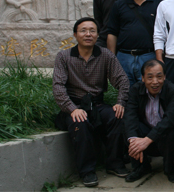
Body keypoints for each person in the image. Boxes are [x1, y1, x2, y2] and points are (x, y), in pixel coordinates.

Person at [52, 17, 130, 187]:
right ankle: (87, 171)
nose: (88, 34)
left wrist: (120, 102)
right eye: (83, 30)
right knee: (80, 123)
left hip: (97, 104)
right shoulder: (64, 57)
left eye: (92, 31)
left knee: (116, 116)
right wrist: (72, 109)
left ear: (97, 35)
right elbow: (58, 87)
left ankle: (114, 163)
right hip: (75, 105)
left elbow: (122, 80)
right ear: (75, 34)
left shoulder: (105, 55)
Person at [124, 59, 174, 183]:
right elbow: (130, 115)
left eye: (159, 77)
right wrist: (134, 141)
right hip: (146, 131)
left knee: (171, 131)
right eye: (150, 77)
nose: (155, 82)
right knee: (128, 127)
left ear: (165, 77)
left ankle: (170, 169)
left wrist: (147, 140)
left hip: (165, 135)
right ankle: (141, 167)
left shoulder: (173, 91)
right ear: (143, 78)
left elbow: (170, 119)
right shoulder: (135, 90)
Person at [106, 0, 162, 86]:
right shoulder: (119, 5)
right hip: (124, 57)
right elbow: (112, 33)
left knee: (150, 90)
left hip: (149, 56)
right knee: (125, 91)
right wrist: (112, 59)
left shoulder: (159, 3)